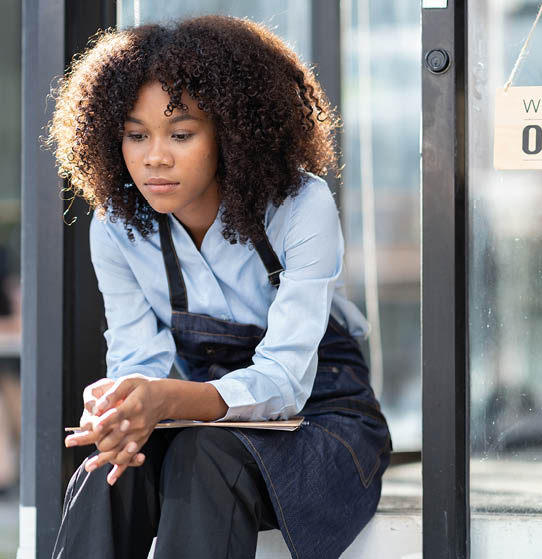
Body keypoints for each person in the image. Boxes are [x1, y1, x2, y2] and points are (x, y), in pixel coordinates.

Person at [46, 15, 391, 559]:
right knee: (110, 466)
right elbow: (140, 358)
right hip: (192, 424)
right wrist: (122, 405)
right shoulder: (116, 225)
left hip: (322, 420)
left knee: (204, 453)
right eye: (136, 134)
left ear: (232, 131)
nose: (154, 156)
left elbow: (285, 379)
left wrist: (164, 400)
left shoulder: (301, 207)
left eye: (180, 134)